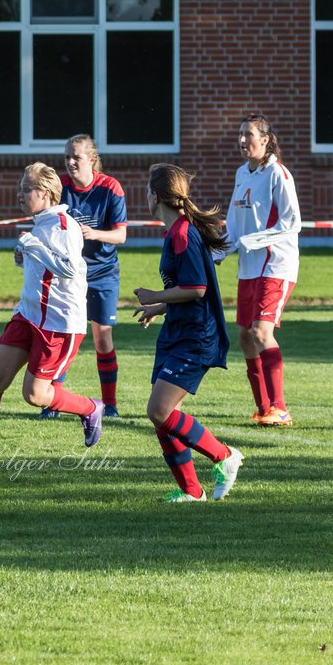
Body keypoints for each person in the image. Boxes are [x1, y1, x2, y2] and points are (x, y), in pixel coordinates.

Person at [0, 163, 105, 452]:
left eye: (26, 189)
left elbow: (69, 269)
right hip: (28, 315)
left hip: (58, 324)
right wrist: (23, 255)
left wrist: (32, 246)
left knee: (34, 395)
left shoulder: (63, 225)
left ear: (45, 193)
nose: (20, 195)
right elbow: (43, 267)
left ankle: (90, 408)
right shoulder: (40, 224)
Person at [134, 164, 243, 502]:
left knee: (160, 411)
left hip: (196, 335)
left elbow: (196, 288)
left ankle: (225, 456)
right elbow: (188, 289)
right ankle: (191, 491)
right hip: (178, 330)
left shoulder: (182, 233)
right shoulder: (177, 231)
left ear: (154, 196)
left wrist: (155, 295)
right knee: (160, 416)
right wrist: (159, 308)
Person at [39, 135, 127, 420]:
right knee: (64, 334)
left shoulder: (110, 187)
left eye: (76, 156)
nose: (70, 162)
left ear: (92, 159)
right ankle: (52, 402)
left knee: (102, 338)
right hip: (69, 274)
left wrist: (94, 233)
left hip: (103, 273)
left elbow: (121, 235)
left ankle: (110, 404)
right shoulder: (60, 187)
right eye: (67, 157)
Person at [224, 114, 301, 427]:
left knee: (261, 332)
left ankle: (280, 409)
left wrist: (252, 240)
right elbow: (232, 224)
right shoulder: (242, 173)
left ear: (266, 140)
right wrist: (218, 250)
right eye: (241, 134)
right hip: (249, 267)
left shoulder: (278, 174)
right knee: (244, 336)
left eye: (250, 135)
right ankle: (263, 407)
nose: (244, 141)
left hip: (276, 263)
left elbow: (290, 222)